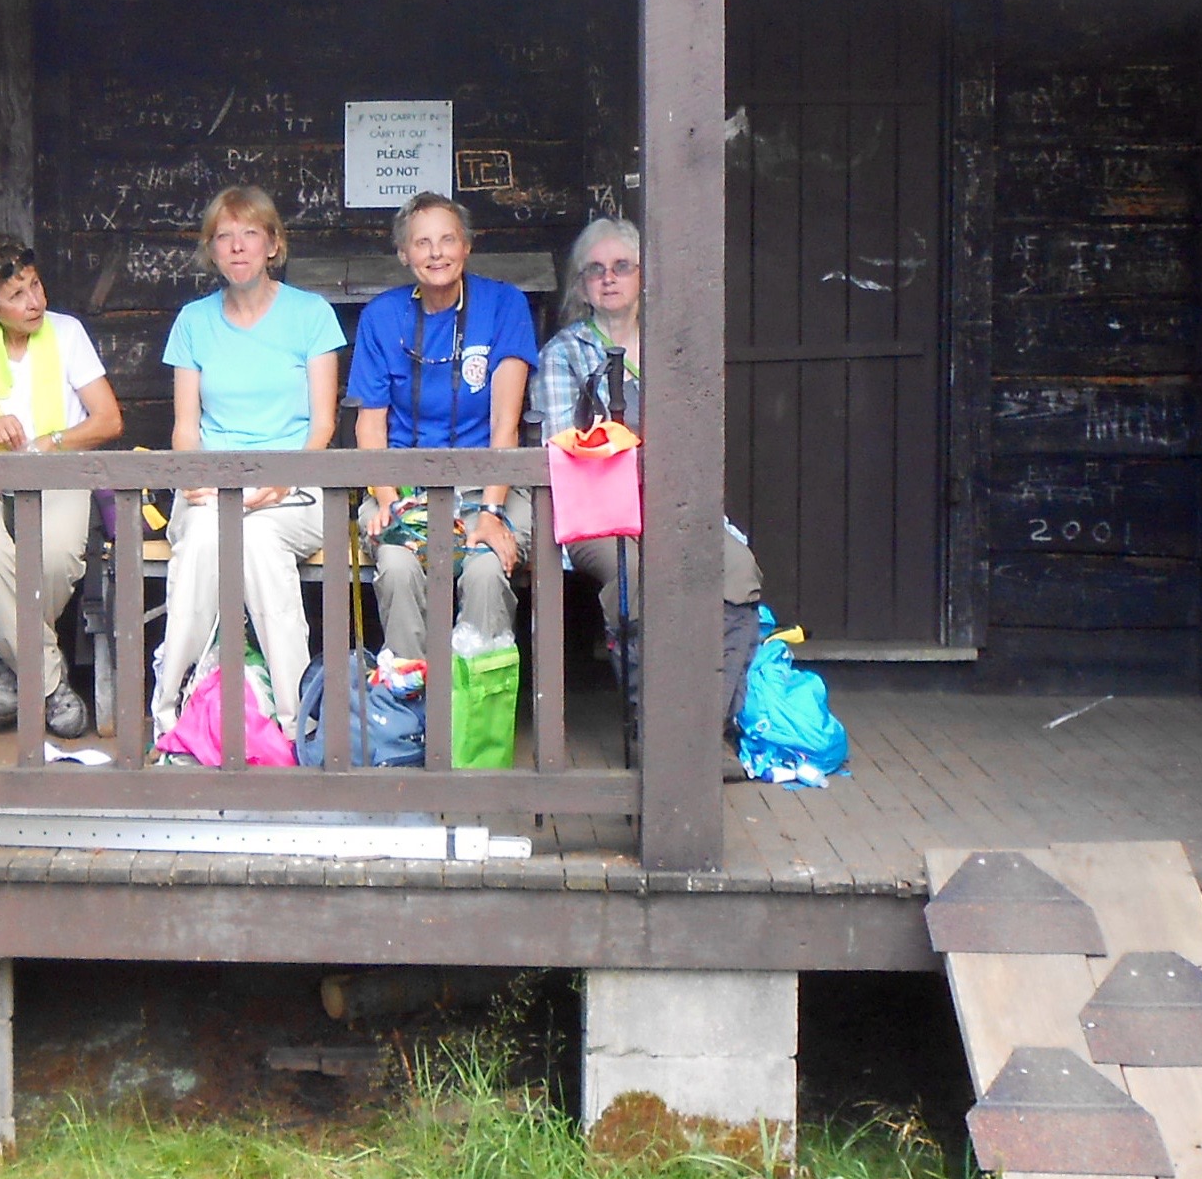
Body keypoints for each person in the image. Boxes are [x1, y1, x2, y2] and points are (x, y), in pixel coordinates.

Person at [532, 216, 766, 772]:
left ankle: (705, 732)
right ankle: (650, 733)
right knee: (633, 578)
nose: (609, 279)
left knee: (736, 571)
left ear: (644, 276)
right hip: (602, 511)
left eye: (622, 267)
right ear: (581, 283)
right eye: (596, 270)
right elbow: (564, 445)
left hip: (675, 505)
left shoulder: (676, 348)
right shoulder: (566, 352)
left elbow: (698, 437)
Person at [155, 185, 344, 740]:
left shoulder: (311, 315)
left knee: (259, 545)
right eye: (224, 237)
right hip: (214, 485)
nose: (237, 247)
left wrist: (282, 484)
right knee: (205, 542)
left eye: (250, 234)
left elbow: (323, 427)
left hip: (296, 483)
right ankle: (171, 709)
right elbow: (186, 428)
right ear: (211, 251)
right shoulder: (193, 321)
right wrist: (192, 480)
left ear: (273, 245)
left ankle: (295, 722)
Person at [0, 234, 124, 738]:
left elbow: (108, 421)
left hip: (59, 474)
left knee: (60, 552)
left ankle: (13, 664)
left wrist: (51, 441)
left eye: (35, 286)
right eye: (17, 295)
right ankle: (47, 679)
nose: (34, 302)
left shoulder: (67, 335)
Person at [348, 192, 538, 662]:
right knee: (396, 563)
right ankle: (412, 707)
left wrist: (493, 511)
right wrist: (390, 505)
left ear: (467, 247)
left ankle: (475, 716)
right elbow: (370, 427)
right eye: (422, 243)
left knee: (486, 569)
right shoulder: (381, 316)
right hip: (404, 485)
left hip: (487, 484)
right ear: (404, 254)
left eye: (447, 240)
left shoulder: (503, 304)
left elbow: (504, 423)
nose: (436, 253)